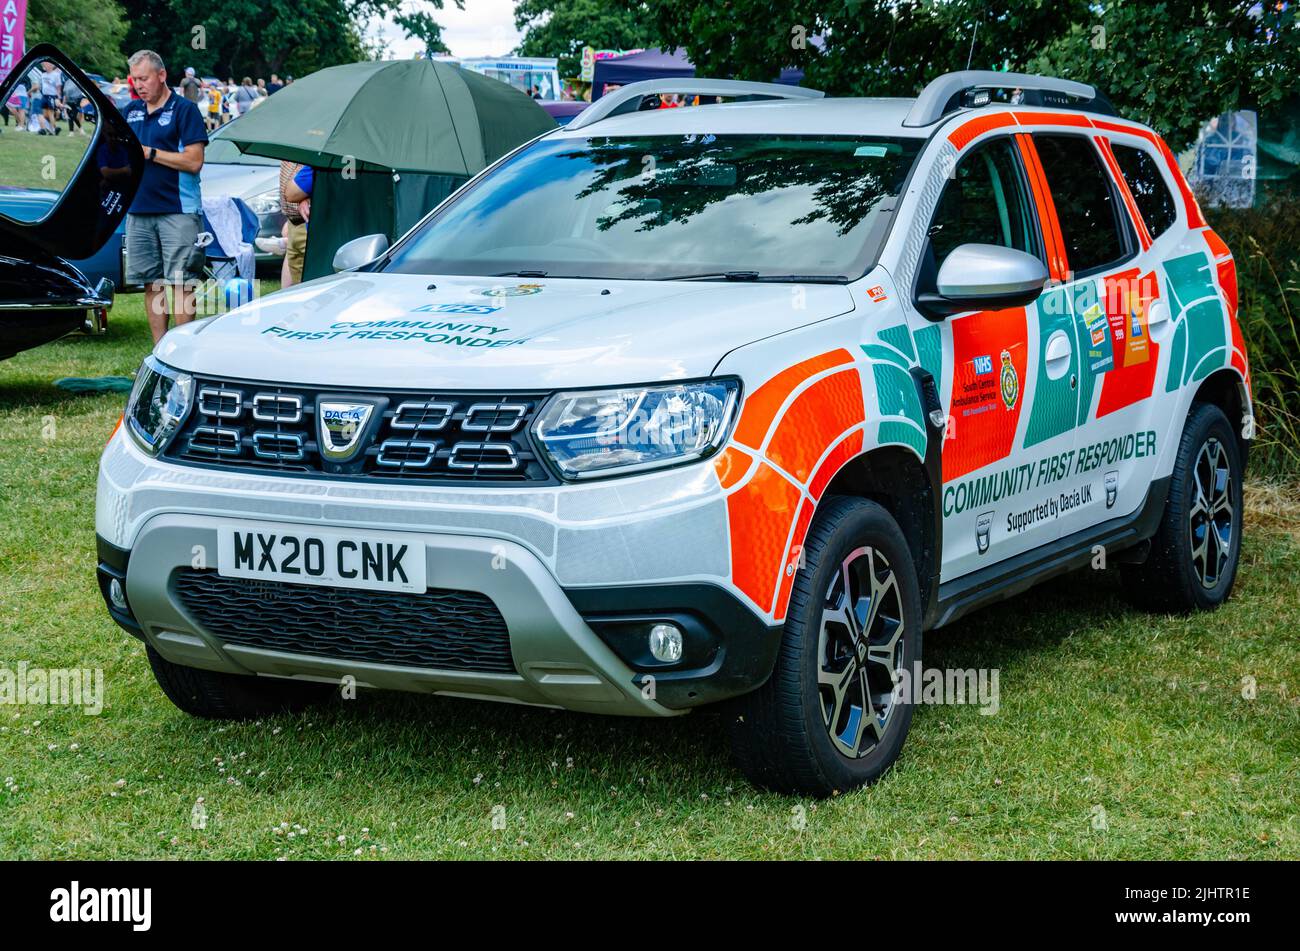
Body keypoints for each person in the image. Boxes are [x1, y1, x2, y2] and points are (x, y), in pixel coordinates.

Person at [120, 49, 209, 344]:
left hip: (178, 210)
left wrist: (151, 154)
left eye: (144, 78)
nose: (139, 85)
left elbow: (194, 161)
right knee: (151, 284)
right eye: (134, 80)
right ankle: (160, 353)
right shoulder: (130, 112)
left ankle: (181, 353)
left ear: (161, 75)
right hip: (139, 210)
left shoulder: (185, 110)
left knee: (182, 284)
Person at [38, 61, 63, 135]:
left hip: (52, 96)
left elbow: (58, 88)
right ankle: (55, 128)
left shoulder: (56, 75)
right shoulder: (43, 75)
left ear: (51, 66)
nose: (44, 66)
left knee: (50, 113)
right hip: (44, 96)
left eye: (46, 64)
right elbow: (42, 86)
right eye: (44, 65)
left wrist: (58, 98)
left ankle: (52, 130)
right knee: (45, 115)